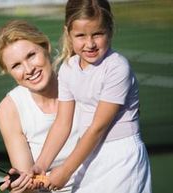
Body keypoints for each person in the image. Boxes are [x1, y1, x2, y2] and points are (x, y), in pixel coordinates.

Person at [31, 0, 152, 192]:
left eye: (98, 34)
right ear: (68, 34)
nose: (90, 44)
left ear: (110, 30)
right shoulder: (68, 68)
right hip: (89, 156)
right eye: (80, 35)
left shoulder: (117, 67)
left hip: (122, 158)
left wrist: (65, 171)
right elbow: (62, 123)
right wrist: (40, 165)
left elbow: (97, 127)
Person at [0, 20, 79, 193]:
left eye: (31, 55)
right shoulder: (9, 109)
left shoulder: (80, 81)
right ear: (8, 71)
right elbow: (31, 184)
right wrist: (23, 188)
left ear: (45, 46)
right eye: (16, 66)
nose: (28, 69)